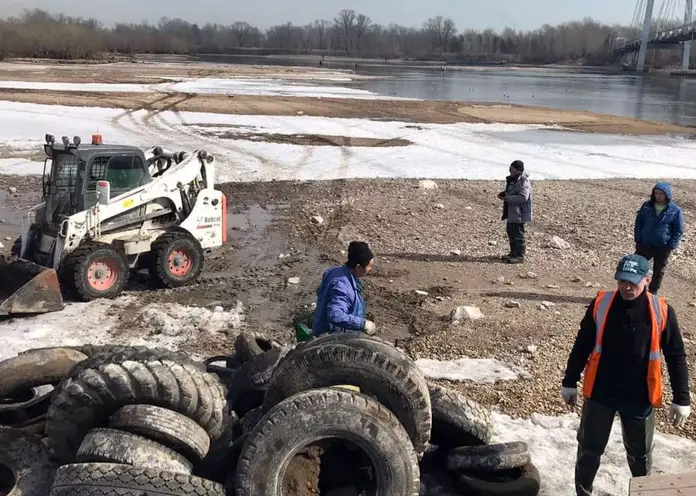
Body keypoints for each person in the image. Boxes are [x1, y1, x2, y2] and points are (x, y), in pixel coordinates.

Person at [561, 254, 690, 496]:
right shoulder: (601, 303)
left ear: (647, 280)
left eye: (632, 281)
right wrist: (570, 381)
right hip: (601, 391)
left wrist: (682, 398)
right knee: (589, 450)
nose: (627, 287)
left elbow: (676, 355)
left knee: (640, 455)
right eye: (622, 281)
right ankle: (583, 493)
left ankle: (643, 492)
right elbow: (582, 343)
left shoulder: (661, 310)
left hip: (639, 396)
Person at [312, 241, 376, 337]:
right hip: (333, 337)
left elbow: (321, 291)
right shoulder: (343, 287)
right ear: (358, 267)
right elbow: (335, 315)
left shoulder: (334, 271)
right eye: (369, 266)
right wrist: (363, 324)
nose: (371, 269)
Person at [634, 181, 684, 294]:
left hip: (663, 246)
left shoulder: (675, 210)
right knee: (637, 267)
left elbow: (678, 229)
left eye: (661, 193)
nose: (658, 196)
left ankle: (652, 293)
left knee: (658, 271)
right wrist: (638, 239)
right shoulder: (647, 206)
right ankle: (636, 289)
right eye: (656, 193)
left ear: (667, 194)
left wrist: (671, 245)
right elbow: (639, 223)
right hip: (645, 243)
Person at [497, 159, 532, 264]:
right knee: (511, 232)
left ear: (517, 170)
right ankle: (513, 253)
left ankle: (520, 256)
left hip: (519, 214)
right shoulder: (514, 180)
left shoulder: (524, 182)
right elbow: (513, 192)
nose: (509, 171)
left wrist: (507, 198)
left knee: (518, 235)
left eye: (511, 169)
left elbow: (522, 198)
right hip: (512, 213)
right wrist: (505, 194)